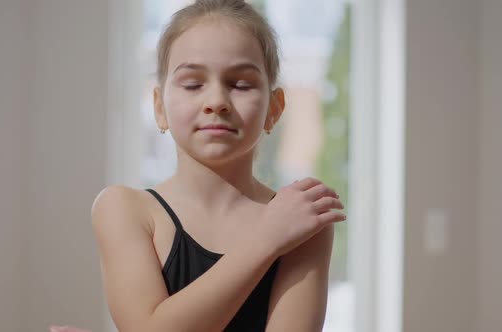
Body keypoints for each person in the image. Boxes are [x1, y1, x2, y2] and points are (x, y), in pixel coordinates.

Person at [91, 0, 346, 331]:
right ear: (159, 107)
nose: (216, 102)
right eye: (194, 84)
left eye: (240, 84)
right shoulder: (123, 209)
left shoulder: (304, 222)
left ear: (275, 108)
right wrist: (266, 239)